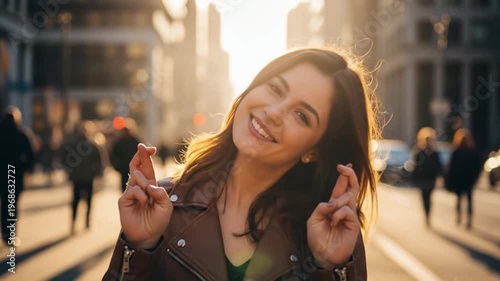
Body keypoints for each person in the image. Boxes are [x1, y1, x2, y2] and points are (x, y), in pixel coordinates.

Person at [103, 48, 380, 281]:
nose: (273, 112)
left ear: (314, 151)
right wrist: (140, 247)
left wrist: (330, 268)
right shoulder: (162, 207)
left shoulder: (329, 235)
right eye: (274, 89)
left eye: (301, 115)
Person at [0, 106, 35, 246]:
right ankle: (9, 235)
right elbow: (30, 156)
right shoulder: (22, 135)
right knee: (11, 206)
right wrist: (25, 169)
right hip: (15, 176)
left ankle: (5, 233)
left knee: (5, 205)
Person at [62, 121, 103, 234]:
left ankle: (87, 221)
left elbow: (99, 160)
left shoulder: (92, 145)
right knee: (76, 200)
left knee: (89, 200)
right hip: (77, 177)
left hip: (89, 177)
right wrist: (68, 170)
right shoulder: (72, 144)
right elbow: (65, 157)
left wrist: (98, 173)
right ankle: (74, 222)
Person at [447, 129, 482, 229]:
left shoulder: (471, 151)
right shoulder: (457, 151)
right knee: (461, 200)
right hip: (462, 179)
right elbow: (451, 168)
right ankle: (460, 218)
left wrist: (476, 177)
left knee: (467, 200)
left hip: (468, 179)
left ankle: (468, 220)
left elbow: (477, 166)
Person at [410, 127, 442, 227]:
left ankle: (428, 214)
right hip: (422, 179)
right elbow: (415, 166)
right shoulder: (419, 153)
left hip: (431, 179)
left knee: (429, 198)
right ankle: (426, 215)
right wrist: (414, 178)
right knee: (424, 197)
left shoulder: (435, 153)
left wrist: (440, 177)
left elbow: (438, 166)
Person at [110, 123, 140, 192]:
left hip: (133, 167)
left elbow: (141, 152)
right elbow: (113, 154)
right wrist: (116, 165)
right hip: (123, 167)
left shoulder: (134, 141)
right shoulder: (119, 142)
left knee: (132, 182)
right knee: (124, 183)